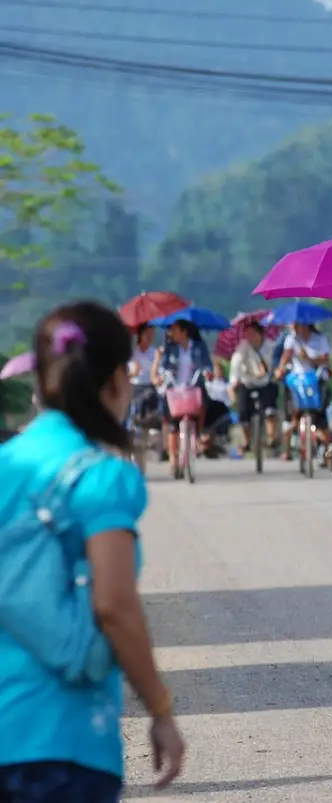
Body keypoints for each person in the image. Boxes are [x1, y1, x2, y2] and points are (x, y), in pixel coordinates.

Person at [0, 301, 185, 799]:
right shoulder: (101, 478)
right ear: (117, 380)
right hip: (62, 744)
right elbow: (114, 606)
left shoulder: (5, 464)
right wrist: (160, 708)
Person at [152, 320, 213, 478]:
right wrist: (162, 374)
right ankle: (173, 458)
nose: (171, 333)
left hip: (193, 387)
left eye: (174, 330)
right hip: (175, 389)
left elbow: (207, 364)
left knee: (203, 403)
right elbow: (163, 366)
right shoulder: (170, 348)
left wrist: (208, 372)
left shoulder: (199, 347)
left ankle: (198, 435)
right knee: (173, 424)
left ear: (184, 331)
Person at [275, 323, 332, 463]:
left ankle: (327, 453)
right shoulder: (292, 339)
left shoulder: (319, 339)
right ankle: (288, 448)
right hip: (297, 380)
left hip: (316, 379)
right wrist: (280, 369)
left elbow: (325, 359)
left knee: (321, 417)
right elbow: (286, 356)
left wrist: (308, 358)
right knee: (292, 412)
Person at [229, 321, 280, 451]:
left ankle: (271, 436)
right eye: (247, 334)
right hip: (247, 382)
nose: (249, 337)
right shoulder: (243, 347)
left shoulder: (271, 346)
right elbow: (236, 363)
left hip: (265, 382)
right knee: (242, 410)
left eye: (252, 334)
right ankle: (246, 441)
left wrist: (273, 371)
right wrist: (234, 382)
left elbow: (276, 364)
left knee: (270, 407)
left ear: (260, 334)